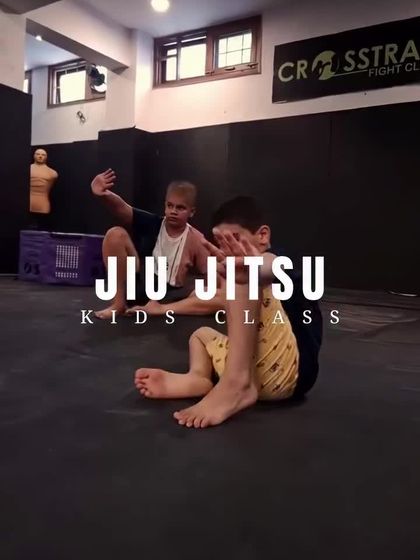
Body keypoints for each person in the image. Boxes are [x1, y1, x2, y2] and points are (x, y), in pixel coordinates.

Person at [134, 197, 323, 428]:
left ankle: (237, 383)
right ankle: (199, 376)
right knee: (201, 335)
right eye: (222, 243)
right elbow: (219, 299)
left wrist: (246, 270)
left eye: (234, 239)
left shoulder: (280, 260)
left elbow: (267, 266)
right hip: (257, 368)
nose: (227, 249)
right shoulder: (235, 271)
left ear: (263, 236)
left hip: (288, 374)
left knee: (244, 273)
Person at [91, 169, 210, 320]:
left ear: (191, 212)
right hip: (140, 287)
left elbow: (210, 273)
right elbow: (122, 208)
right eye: (170, 206)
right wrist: (103, 194)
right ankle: (118, 305)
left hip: (169, 296)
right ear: (165, 205)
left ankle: (159, 309)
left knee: (208, 293)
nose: (173, 211)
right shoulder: (153, 223)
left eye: (180, 208)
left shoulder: (196, 239)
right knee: (115, 235)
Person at [29, 148, 58, 230]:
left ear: (46, 157)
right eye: (38, 154)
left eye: (43, 155)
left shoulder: (53, 173)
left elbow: (51, 186)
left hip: (43, 205)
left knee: (42, 228)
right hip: (29, 203)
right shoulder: (27, 169)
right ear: (34, 155)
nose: (40, 156)